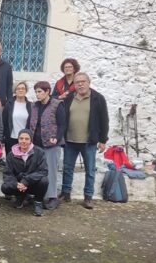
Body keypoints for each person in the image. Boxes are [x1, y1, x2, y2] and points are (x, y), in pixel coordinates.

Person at [59, 72, 109, 209]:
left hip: (89, 141)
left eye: (83, 81)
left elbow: (104, 120)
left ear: (89, 82)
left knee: (90, 170)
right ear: (74, 85)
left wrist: (103, 140)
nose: (80, 84)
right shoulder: (69, 97)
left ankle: (88, 197)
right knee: (67, 168)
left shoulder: (98, 98)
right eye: (77, 82)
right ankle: (66, 193)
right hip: (70, 140)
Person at [29, 81, 65, 210]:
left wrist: (57, 137)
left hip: (51, 143)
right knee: (37, 170)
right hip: (36, 143)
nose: (37, 94)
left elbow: (62, 124)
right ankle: (39, 195)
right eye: (36, 92)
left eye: (40, 92)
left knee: (51, 171)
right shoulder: (34, 106)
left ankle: (52, 197)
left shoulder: (57, 104)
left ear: (48, 91)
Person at [1, 129, 49, 216]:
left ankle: (38, 202)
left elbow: (43, 171)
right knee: (5, 187)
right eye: (21, 138)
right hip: (19, 185)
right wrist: (16, 184)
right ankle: (20, 197)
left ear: (31, 140)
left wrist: (26, 181)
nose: (24, 141)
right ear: (18, 139)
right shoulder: (11, 155)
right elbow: (8, 174)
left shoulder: (39, 152)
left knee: (44, 181)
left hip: (33, 183)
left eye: (27, 139)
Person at [2, 81, 31, 156]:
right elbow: (4, 121)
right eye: (18, 89)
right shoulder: (9, 104)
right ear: (15, 91)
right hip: (11, 138)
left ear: (26, 90)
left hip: (25, 139)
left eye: (23, 88)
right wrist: (3, 137)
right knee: (11, 161)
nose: (21, 90)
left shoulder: (30, 105)